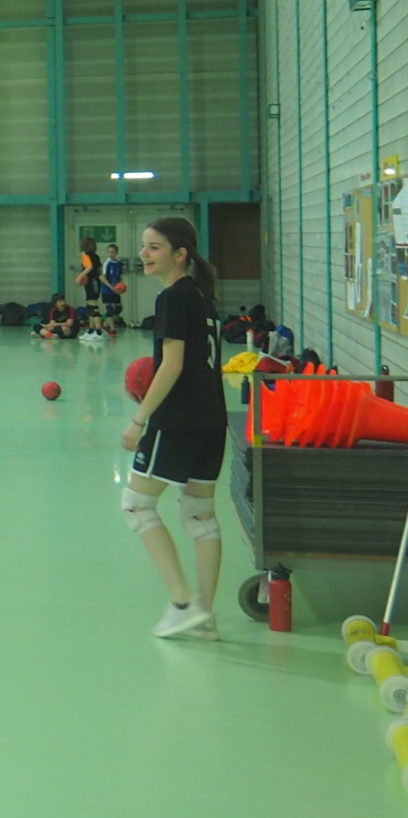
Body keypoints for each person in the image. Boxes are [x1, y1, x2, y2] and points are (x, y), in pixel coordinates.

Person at [123, 216, 229, 638]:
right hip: (212, 421)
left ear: (180, 254)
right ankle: (204, 614)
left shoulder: (172, 298)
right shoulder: (203, 299)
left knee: (136, 504)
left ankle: (183, 603)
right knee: (200, 516)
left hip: (179, 420)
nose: (144, 254)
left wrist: (139, 419)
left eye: (154, 247)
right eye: (144, 246)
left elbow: (172, 365)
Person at [98, 242, 128, 334]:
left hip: (116, 290)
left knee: (118, 308)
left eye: (113, 252)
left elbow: (119, 277)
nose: (111, 254)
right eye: (109, 252)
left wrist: (121, 286)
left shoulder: (119, 264)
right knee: (110, 308)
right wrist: (111, 287)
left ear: (116, 253)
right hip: (107, 289)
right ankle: (112, 329)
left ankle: (105, 324)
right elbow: (102, 277)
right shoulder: (107, 263)